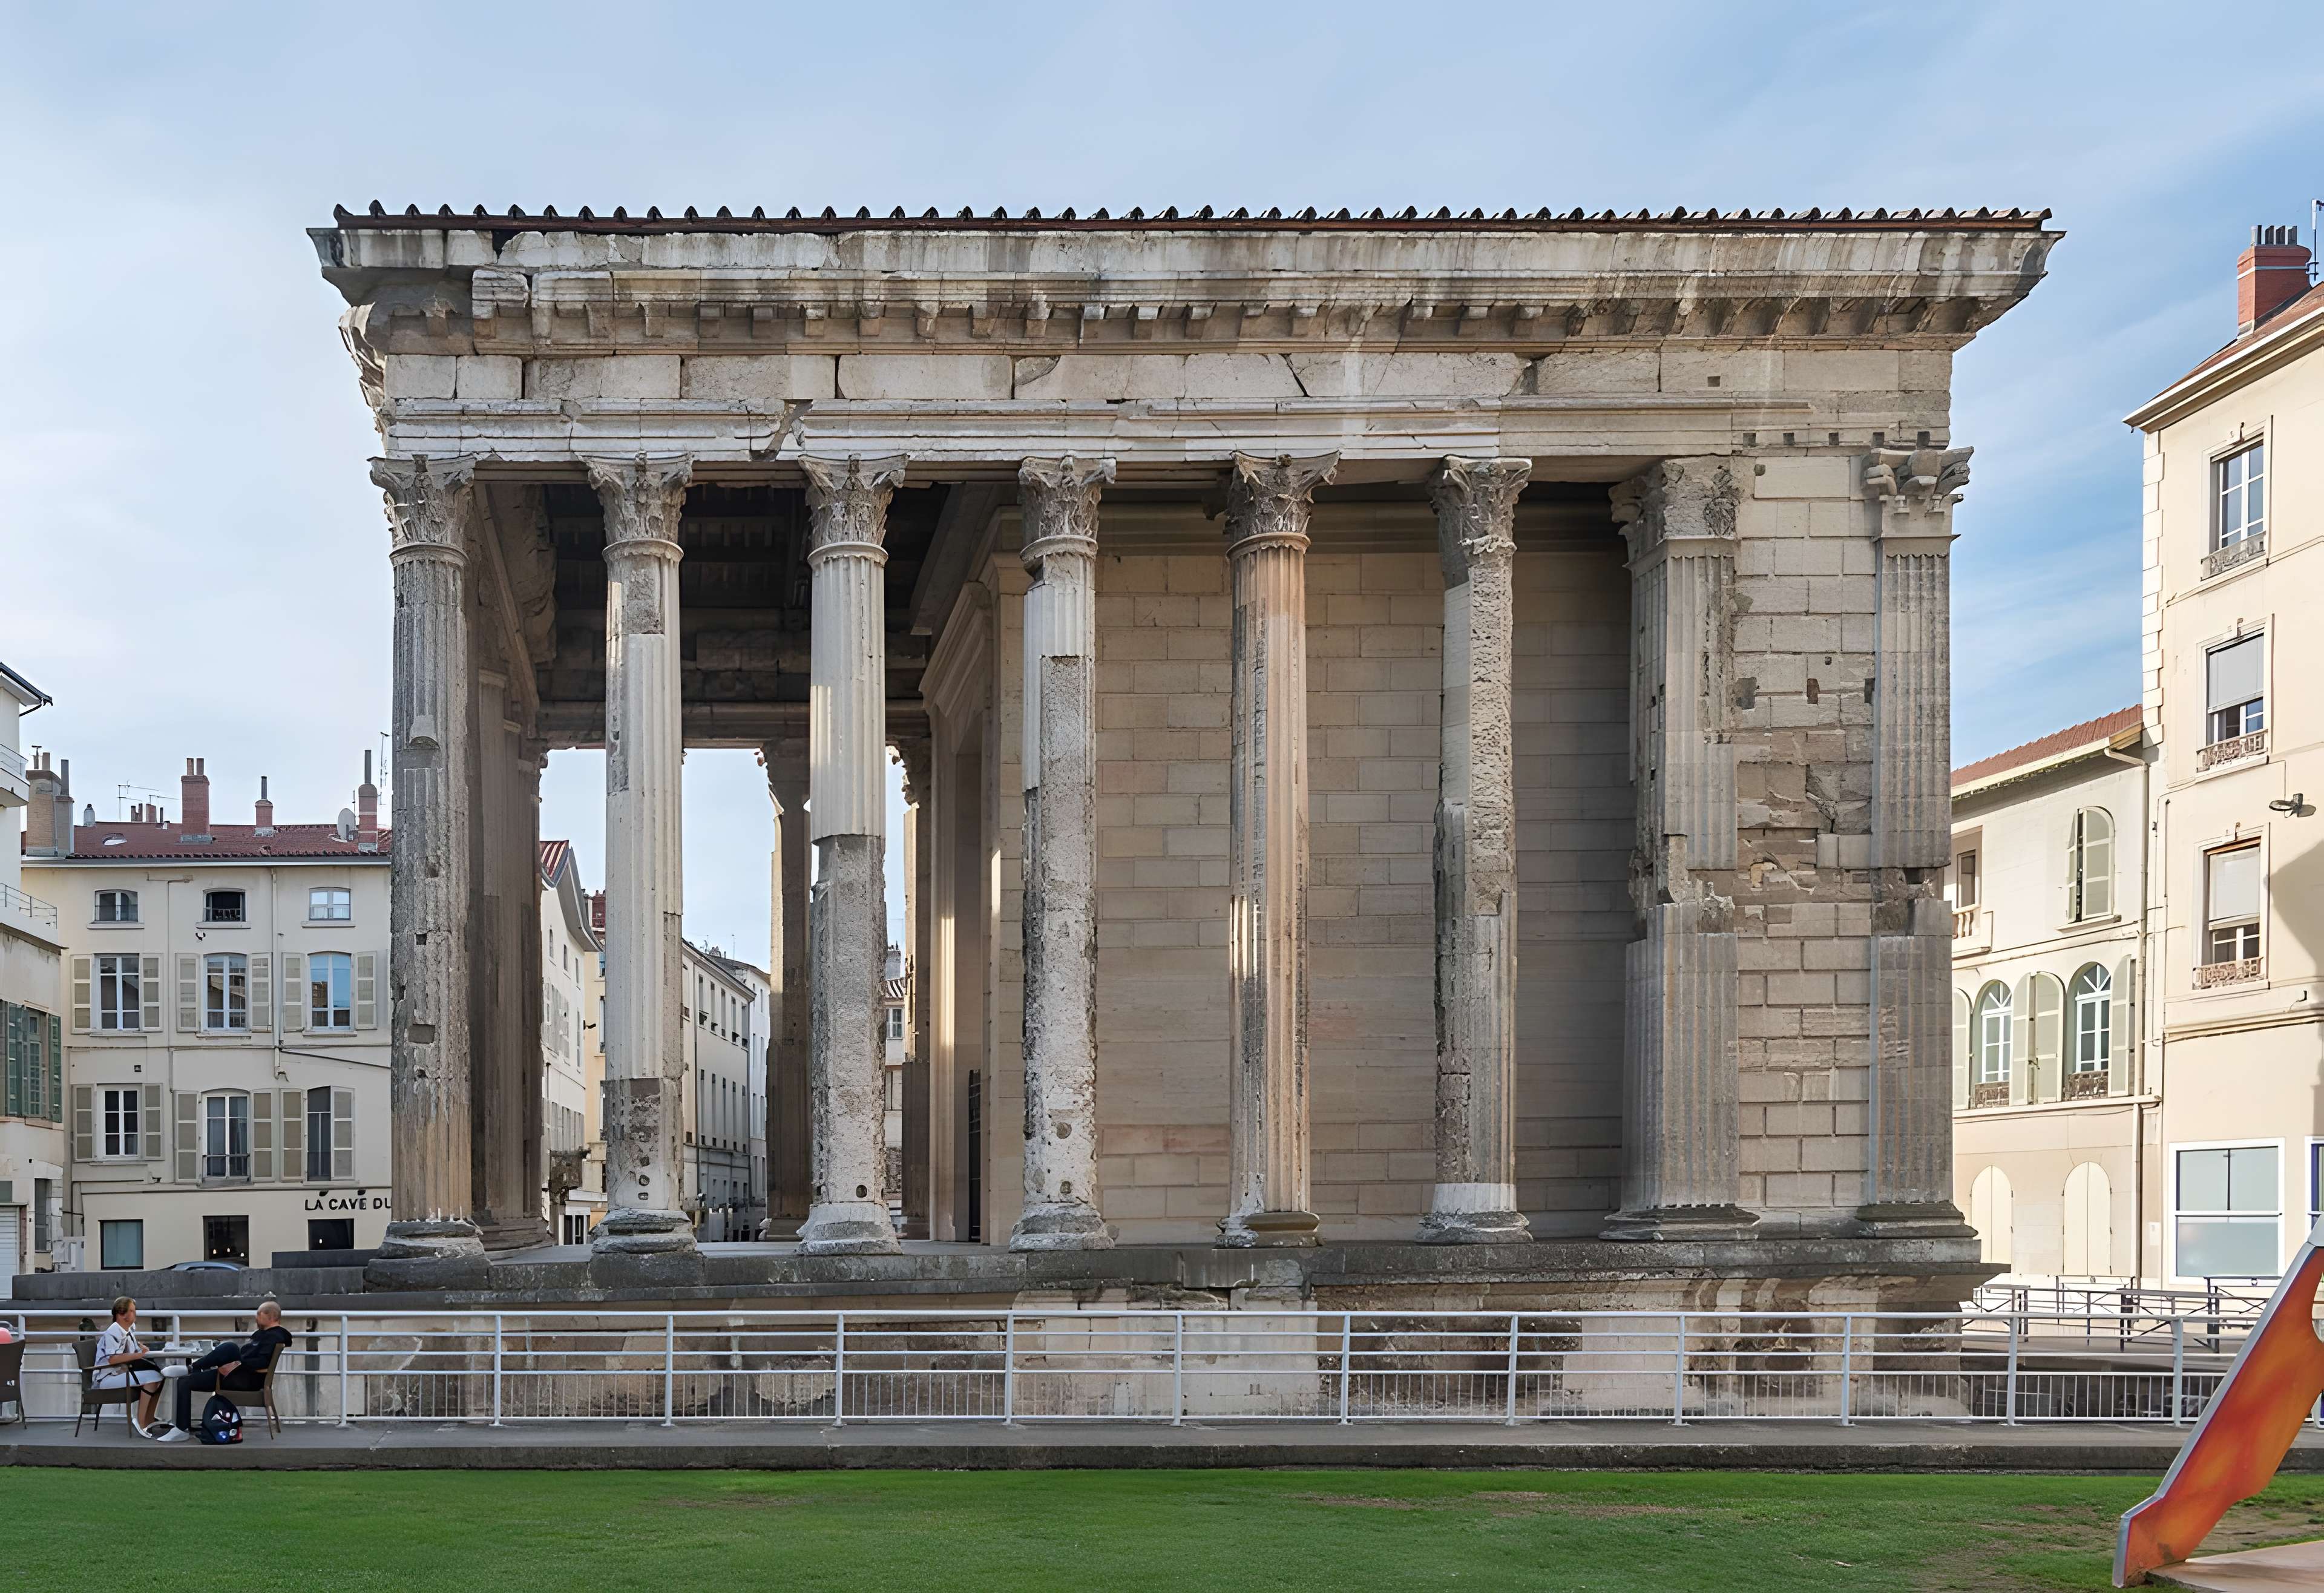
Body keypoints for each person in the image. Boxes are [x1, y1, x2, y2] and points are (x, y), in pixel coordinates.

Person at [158, 1299, 293, 1442]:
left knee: (230, 1348)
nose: (256, 1317)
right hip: (238, 1376)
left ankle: (191, 1369)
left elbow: (262, 1362)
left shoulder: (274, 1337)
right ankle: (182, 1425)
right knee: (185, 1381)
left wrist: (237, 1364)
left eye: (259, 1314)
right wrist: (234, 1364)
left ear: (270, 1316)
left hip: (246, 1380)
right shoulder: (263, 1335)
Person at [93, 1296, 166, 1436]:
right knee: (153, 1378)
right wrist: (139, 1355)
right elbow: (112, 1359)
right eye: (132, 1310)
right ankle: (141, 1422)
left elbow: (131, 1350)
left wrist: (141, 1350)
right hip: (106, 1378)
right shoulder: (113, 1332)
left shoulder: (128, 1329)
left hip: (119, 1372)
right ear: (122, 1314)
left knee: (161, 1376)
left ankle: (149, 1419)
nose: (135, 1313)